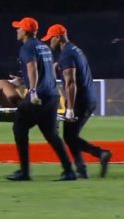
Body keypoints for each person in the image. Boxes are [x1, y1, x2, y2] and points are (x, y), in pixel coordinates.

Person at [7, 17, 76, 181]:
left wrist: (31, 91)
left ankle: (25, 171)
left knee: (19, 127)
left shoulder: (26, 48)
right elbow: (44, 71)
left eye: (18, 28)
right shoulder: (43, 46)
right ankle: (69, 171)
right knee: (51, 135)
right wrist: (21, 80)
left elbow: (32, 68)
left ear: (24, 31)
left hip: (38, 96)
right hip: (52, 95)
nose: (17, 31)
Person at [41, 24, 112, 178]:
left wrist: (70, 109)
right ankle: (83, 168)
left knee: (69, 136)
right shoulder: (74, 50)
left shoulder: (66, 54)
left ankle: (99, 154)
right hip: (88, 98)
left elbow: (70, 82)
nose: (49, 43)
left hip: (81, 101)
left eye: (50, 39)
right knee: (70, 136)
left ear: (58, 37)